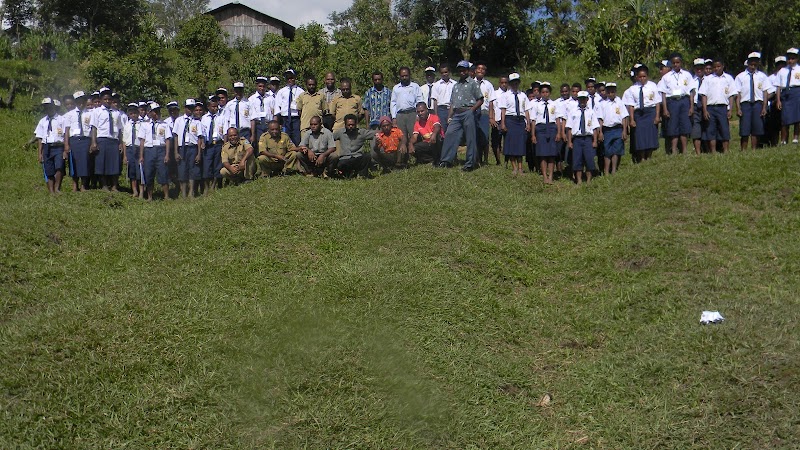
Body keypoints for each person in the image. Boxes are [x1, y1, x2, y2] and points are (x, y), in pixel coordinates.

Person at [438, 61, 484, 171]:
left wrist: (472, 110)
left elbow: (481, 99)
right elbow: (452, 103)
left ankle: (470, 164)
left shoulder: (473, 83)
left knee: (470, 138)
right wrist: (450, 116)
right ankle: (446, 160)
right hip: (457, 114)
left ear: (468, 71)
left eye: (464, 70)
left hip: (468, 111)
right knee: (450, 134)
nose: (462, 72)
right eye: (460, 70)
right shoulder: (456, 86)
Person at [623, 65, 661, 161]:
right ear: (637, 77)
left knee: (650, 135)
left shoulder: (652, 86)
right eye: (640, 77)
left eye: (644, 76)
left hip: (650, 112)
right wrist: (632, 119)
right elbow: (631, 105)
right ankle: (642, 157)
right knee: (640, 136)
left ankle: (649, 156)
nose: (642, 79)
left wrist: (657, 116)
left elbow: (657, 102)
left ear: (647, 76)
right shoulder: (633, 89)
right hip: (639, 114)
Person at [659, 53, 695, 155]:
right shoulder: (666, 77)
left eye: (678, 62)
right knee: (673, 126)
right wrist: (665, 109)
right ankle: (674, 150)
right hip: (672, 102)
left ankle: (684, 150)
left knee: (684, 126)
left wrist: (691, 106)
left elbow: (691, 91)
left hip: (684, 101)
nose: (676, 65)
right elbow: (663, 93)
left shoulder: (687, 75)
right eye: (673, 63)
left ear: (681, 63)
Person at [698, 59, 737, 153]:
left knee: (724, 129)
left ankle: (726, 150)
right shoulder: (708, 79)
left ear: (723, 66)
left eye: (718, 66)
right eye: (714, 67)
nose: (716, 69)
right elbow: (704, 95)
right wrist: (705, 110)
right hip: (711, 107)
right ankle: (713, 151)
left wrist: (730, 109)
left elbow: (731, 95)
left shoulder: (728, 78)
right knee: (711, 130)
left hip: (723, 107)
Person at [89, 90, 125, 191]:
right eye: (105, 99)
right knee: (102, 163)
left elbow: (120, 129)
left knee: (114, 163)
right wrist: (93, 142)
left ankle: (114, 186)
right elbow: (94, 128)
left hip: (113, 140)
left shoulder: (117, 113)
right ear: (101, 100)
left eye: (109, 99)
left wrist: (121, 143)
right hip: (102, 139)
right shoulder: (97, 111)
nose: (107, 101)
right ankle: (104, 185)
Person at [735, 52, 770, 150]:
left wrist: (764, 107)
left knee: (756, 128)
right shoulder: (740, 76)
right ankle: (743, 149)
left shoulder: (762, 76)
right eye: (751, 63)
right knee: (745, 129)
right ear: (748, 62)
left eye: (755, 63)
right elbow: (737, 94)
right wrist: (738, 108)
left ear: (758, 63)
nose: (753, 66)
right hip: (745, 104)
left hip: (757, 104)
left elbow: (765, 92)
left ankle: (754, 149)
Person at [138, 103, 172, 200]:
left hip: (161, 149)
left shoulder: (164, 125)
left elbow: (167, 140)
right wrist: (141, 156)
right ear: (150, 112)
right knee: (149, 173)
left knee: (163, 173)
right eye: (155, 111)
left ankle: (166, 196)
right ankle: (149, 196)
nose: (157, 113)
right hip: (149, 150)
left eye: (158, 111)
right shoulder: (144, 125)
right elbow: (142, 141)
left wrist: (167, 154)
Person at [390, 66, 423, 165]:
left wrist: (418, 115)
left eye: (406, 75)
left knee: (415, 136)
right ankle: (402, 160)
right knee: (401, 137)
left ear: (409, 75)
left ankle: (419, 158)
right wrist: (394, 118)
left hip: (412, 113)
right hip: (400, 115)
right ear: (400, 76)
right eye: (402, 76)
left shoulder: (415, 86)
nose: (404, 78)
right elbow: (393, 103)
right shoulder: (396, 88)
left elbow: (420, 100)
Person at [566, 91, 599, 185]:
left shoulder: (591, 112)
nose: (582, 101)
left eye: (584, 99)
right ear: (578, 100)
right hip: (577, 139)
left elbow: (595, 127)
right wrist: (569, 142)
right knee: (577, 160)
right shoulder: (573, 112)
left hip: (588, 138)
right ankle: (579, 180)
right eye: (580, 99)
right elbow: (569, 128)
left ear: (587, 99)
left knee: (589, 159)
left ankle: (588, 180)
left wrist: (595, 140)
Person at [500, 73, 530, 176]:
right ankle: (514, 167)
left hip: (520, 120)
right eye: (513, 83)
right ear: (510, 84)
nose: (515, 85)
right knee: (511, 144)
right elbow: (503, 110)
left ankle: (521, 168)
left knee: (520, 144)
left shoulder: (523, 95)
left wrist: (528, 123)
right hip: (510, 120)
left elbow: (526, 110)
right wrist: (503, 123)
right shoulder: (506, 95)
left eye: (516, 82)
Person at [173, 99, 204, 198]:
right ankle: (183, 193)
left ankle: (191, 192)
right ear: (185, 108)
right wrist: (176, 152)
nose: (190, 110)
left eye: (192, 108)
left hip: (192, 147)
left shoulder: (197, 122)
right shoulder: (179, 120)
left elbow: (199, 138)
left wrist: (199, 153)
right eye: (189, 107)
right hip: (182, 147)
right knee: (182, 170)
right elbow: (176, 136)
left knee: (192, 169)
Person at [529, 82, 559, 183]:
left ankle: (551, 175)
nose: (545, 94)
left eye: (547, 92)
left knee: (551, 154)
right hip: (540, 129)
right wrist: (533, 134)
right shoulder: (537, 105)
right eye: (543, 92)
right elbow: (533, 120)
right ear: (540, 93)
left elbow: (557, 119)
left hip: (551, 128)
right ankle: (544, 176)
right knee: (542, 153)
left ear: (550, 93)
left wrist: (558, 132)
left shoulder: (554, 104)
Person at [596, 83, 629, 175]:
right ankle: (606, 170)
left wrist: (624, 130)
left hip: (618, 128)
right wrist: (600, 132)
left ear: (615, 92)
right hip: (607, 130)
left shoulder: (619, 102)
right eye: (609, 92)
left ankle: (614, 169)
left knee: (616, 150)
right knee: (607, 151)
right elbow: (600, 119)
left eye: (613, 92)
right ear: (606, 92)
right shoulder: (602, 103)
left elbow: (624, 117)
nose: (611, 94)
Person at [35, 97, 65, 194]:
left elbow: (66, 135)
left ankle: (57, 188)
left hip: (58, 146)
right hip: (47, 147)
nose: (48, 109)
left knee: (59, 167)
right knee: (49, 169)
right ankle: (51, 191)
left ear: (54, 106)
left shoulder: (61, 119)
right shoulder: (43, 121)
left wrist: (65, 149)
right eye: (46, 107)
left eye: (50, 106)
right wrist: (39, 153)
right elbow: (40, 138)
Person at [63, 91, 91, 191]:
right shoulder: (69, 115)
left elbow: (92, 129)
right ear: (75, 102)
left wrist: (92, 142)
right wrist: (66, 144)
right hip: (74, 140)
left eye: (82, 100)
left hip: (85, 140)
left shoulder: (89, 113)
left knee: (84, 162)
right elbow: (66, 130)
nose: (81, 103)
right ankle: (75, 184)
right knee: (73, 162)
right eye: (78, 101)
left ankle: (83, 185)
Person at [776, 48, 800, 145]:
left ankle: (795, 137)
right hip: (785, 93)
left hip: (797, 92)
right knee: (785, 118)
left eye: (793, 58)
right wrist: (778, 100)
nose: (790, 61)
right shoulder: (782, 70)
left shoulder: (799, 69)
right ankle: (784, 140)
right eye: (789, 59)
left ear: (797, 59)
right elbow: (778, 86)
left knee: (797, 116)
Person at [274, 69, 305, 145]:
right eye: (288, 78)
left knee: (296, 138)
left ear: (295, 78)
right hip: (285, 119)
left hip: (296, 118)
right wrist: (277, 122)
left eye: (291, 78)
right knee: (285, 138)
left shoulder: (301, 91)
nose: (290, 80)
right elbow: (277, 108)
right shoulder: (281, 91)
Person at [201, 96, 225, 192]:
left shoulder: (221, 117)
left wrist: (225, 144)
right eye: (213, 106)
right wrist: (202, 142)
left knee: (217, 165)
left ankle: (214, 186)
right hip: (208, 145)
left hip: (218, 143)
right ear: (208, 106)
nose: (215, 108)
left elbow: (225, 132)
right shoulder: (204, 118)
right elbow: (202, 133)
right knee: (207, 166)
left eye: (216, 106)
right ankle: (207, 186)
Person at [473, 63, 494, 165]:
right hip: (473, 111)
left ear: (485, 72)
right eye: (479, 68)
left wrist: (491, 117)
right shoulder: (471, 83)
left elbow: (490, 102)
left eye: (483, 69)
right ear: (475, 70)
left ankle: (484, 159)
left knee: (485, 136)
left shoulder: (488, 85)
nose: (480, 70)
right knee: (474, 135)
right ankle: (476, 159)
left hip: (484, 112)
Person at [249, 76, 275, 155]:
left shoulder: (271, 98)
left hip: (268, 124)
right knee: (258, 144)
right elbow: (252, 117)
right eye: (260, 86)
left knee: (270, 143)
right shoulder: (251, 99)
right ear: (256, 86)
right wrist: (252, 134)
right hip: (258, 125)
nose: (262, 88)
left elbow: (275, 113)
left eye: (263, 86)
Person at [766, 56, 787, 146]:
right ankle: (774, 143)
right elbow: (769, 93)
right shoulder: (771, 78)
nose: (781, 67)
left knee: (784, 123)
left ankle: (784, 141)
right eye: (779, 65)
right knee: (774, 125)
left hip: (786, 101)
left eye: (783, 64)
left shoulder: (788, 75)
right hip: (774, 103)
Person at [122, 103, 142, 197]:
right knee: (132, 171)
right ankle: (134, 191)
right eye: (131, 113)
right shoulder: (127, 125)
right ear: (129, 114)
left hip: (139, 149)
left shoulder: (142, 124)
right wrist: (125, 155)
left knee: (140, 170)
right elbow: (124, 141)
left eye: (135, 113)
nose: (133, 115)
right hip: (130, 149)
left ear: (138, 113)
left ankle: (141, 191)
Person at [489, 76, 508, 165]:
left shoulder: (510, 94)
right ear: (499, 83)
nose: (504, 84)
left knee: (507, 141)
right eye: (502, 83)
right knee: (496, 141)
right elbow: (491, 107)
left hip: (508, 119)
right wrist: (492, 118)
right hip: (497, 119)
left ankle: (507, 160)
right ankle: (498, 161)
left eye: (505, 83)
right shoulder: (495, 93)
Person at [432, 65, 456, 133]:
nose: (444, 74)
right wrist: (436, 115)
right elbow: (435, 101)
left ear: (449, 72)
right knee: (442, 129)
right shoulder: (436, 85)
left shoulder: (455, 84)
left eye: (446, 72)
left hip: (453, 109)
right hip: (441, 110)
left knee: (452, 129)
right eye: (442, 73)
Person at [690, 58, 707, 154]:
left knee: (707, 128)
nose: (699, 70)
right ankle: (698, 152)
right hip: (696, 106)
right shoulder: (691, 80)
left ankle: (707, 149)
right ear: (694, 68)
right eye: (697, 68)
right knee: (696, 129)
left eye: (701, 67)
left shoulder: (709, 79)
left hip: (707, 106)